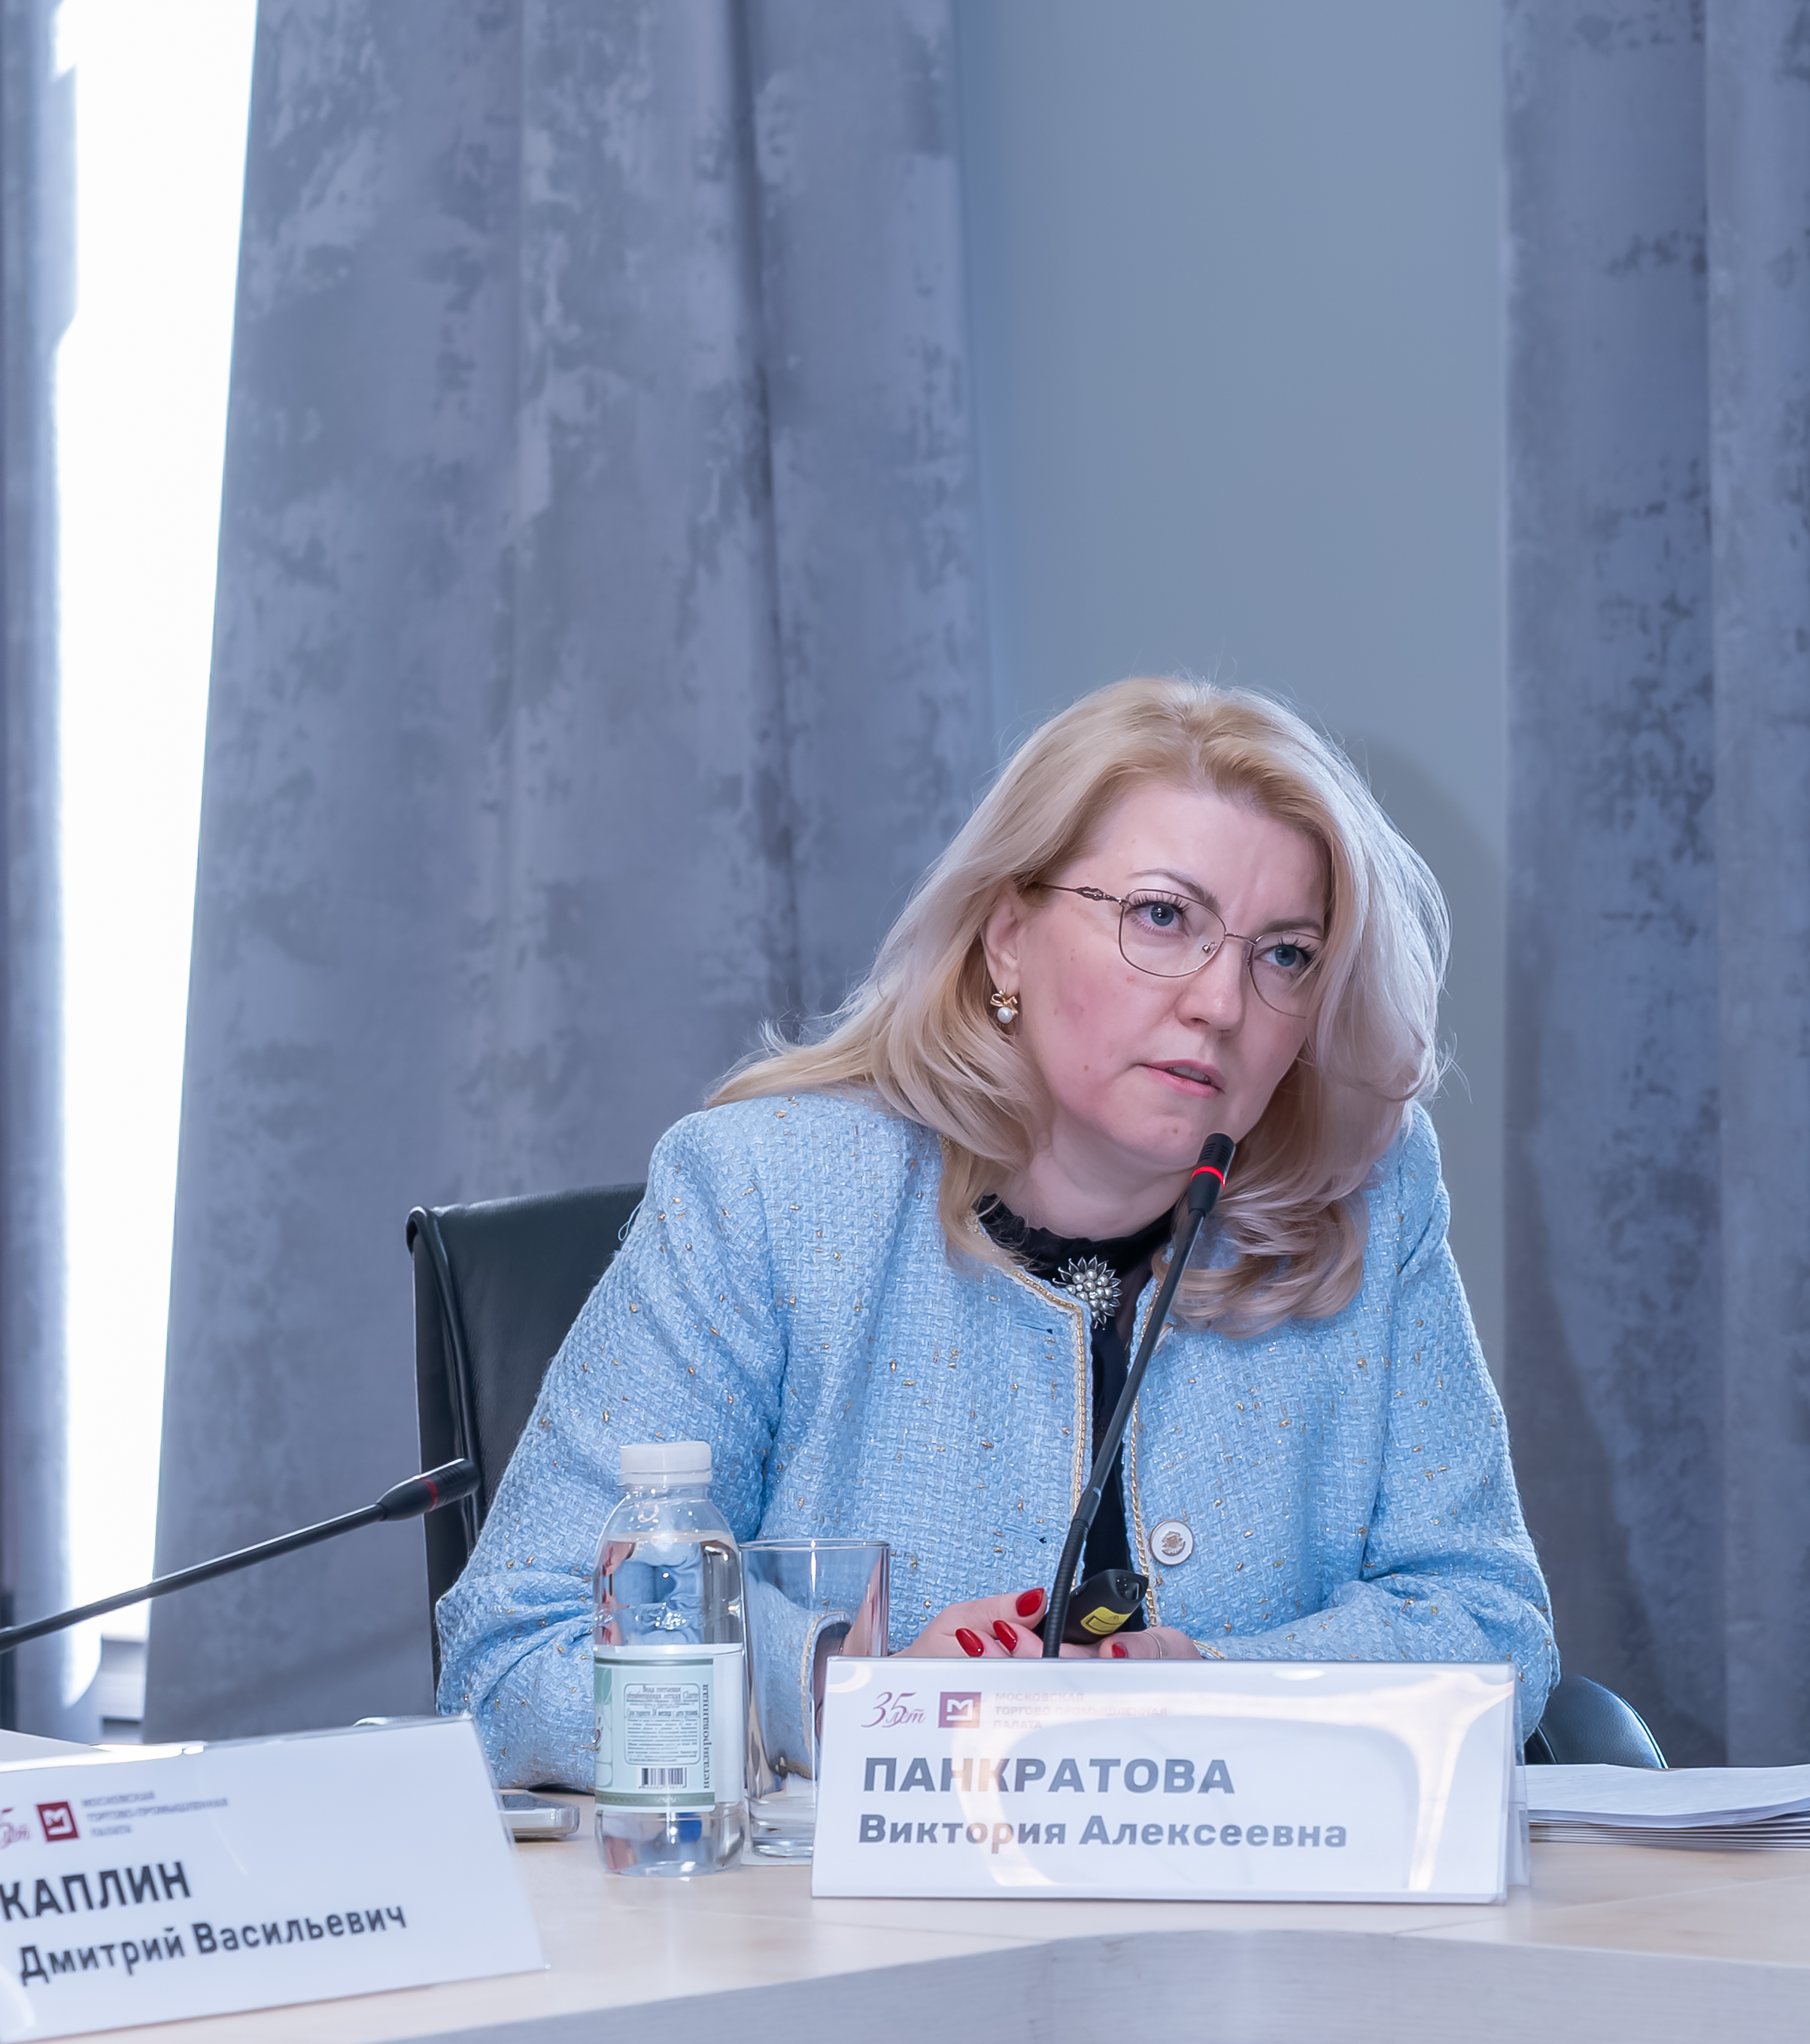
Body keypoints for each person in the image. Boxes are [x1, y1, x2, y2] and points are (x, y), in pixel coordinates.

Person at [436, 679, 1558, 1788]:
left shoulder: (1366, 1196)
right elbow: (513, 1658)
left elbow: (1489, 1623)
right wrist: (857, 1698)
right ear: (1008, 937)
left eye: (1285, 955)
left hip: (1252, 1902)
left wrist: (1214, 1692)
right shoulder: (768, 1195)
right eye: (1162, 917)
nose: (1222, 1003)